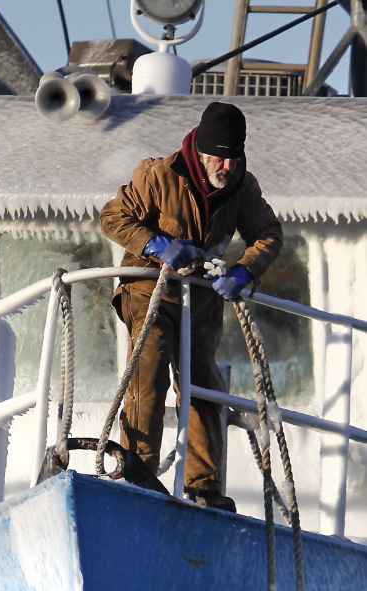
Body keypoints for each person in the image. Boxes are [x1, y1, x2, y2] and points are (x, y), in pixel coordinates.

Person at [99, 101, 283, 510]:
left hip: (199, 299)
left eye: (234, 157)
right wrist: (155, 243)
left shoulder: (242, 186)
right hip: (149, 287)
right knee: (149, 366)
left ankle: (204, 489)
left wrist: (245, 272)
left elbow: (268, 233)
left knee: (204, 387)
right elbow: (113, 218)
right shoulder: (158, 174)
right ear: (199, 151)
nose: (227, 166)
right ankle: (138, 470)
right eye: (220, 156)